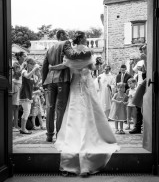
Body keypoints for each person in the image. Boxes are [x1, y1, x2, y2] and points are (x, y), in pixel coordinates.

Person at [49, 31, 119, 177]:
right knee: (91, 110)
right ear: (82, 38)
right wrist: (98, 63)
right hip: (87, 84)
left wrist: (52, 68)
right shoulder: (88, 51)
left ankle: (72, 139)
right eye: (85, 37)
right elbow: (93, 68)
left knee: (74, 110)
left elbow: (64, 65)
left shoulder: (71, 52)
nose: (87, 39)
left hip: (75, 83)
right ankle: (98, 137)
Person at [41, 29, 92, 142]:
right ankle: (60, 135)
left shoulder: (49, 48)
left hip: (49, 81)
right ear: (62, 35)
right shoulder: (65, 43)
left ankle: (49, 135)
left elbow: (44, 67)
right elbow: (72, 55)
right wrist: (88, 52)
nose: (68, 36)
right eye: (66, 34)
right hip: (62, 80)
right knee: (60, 108)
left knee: (49, 108)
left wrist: (43, 82)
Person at [19, 58, 40, 134]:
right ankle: (23, 129)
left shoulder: (32, 73)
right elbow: (27, 76)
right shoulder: (24, 71)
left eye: (34, 65)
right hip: (24, 93)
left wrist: (37, 73)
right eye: (32, 64)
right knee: (26, 111)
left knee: (26, 112)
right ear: (28, 64)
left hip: (29, 94)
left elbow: (36, 83)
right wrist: (34, 69)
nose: (33, 66)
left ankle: (23, 128)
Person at [12, 51, 27, 132]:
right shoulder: (16, 64)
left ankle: (16, 125)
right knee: (15, 106)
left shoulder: (22, 65)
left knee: (17, 106)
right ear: (20, 57)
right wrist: (23, 68)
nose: (25, 57)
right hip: (15, 85)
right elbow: (17, 74)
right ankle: (15, 126)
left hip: (20, 86)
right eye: (24, 56)